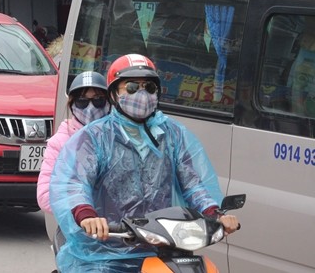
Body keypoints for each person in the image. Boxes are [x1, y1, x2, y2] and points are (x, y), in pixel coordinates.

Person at [49, 54, 240, 272]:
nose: (142, 94)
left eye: (149, 87)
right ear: (114, 94)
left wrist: (215, 212)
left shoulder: (172, 134)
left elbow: (194, 184)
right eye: (131, 87)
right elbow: (74, 183)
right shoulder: (94, 137)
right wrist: (87, 215)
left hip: (162, 247)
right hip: (104, 250)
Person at [37, 71, 109, 256]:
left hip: (119, 231)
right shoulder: (60, 143)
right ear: (72, 105)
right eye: (83, 101)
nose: (91, 107)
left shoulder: (118, 139)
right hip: (79, 235)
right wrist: (83, 212)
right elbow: (46, 195)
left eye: (99, 100)